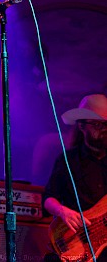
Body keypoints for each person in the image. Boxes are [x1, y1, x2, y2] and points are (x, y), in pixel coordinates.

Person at [43, 94, 107, 261]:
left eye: (105, 124)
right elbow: (48, 199)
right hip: (77, 242)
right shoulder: (68, 160)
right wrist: (63, 212)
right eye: (96, 124)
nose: (102, 129)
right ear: (82, 126)